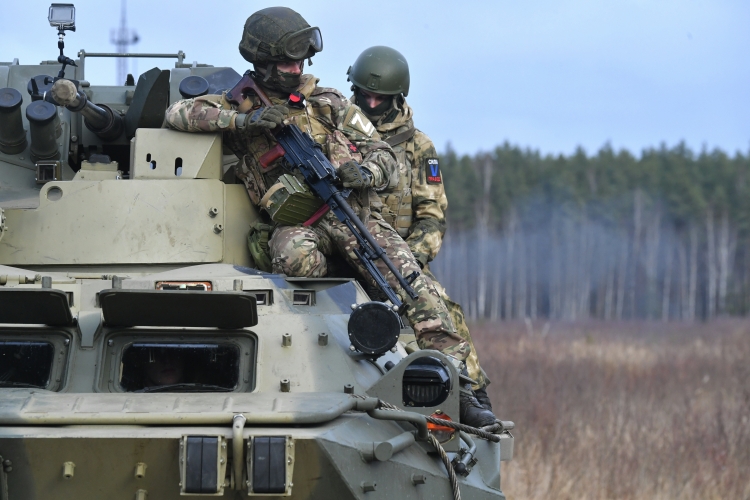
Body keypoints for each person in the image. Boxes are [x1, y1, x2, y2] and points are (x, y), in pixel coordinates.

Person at [164, 8, 495, 427]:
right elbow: (178, 114)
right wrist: (244, 120)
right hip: (298, 224)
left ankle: (461, 388)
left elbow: (385, 156)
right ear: (262, 62)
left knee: (415, 290)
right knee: (294, 259)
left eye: (301, 60)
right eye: (286, 62)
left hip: (351, 215)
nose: (296, 68)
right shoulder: (238, 103)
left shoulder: (329, 102)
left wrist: (366, 172)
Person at [347, 46, 494, 411]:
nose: (370, 102)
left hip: (399, 259)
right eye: (364, 95)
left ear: (397, 98)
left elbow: (432, 215)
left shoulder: (417, 147)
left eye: (379, 97)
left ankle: (470, 393)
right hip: (347, 253)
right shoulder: (338, 134)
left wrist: (409, 258)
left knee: (442, 311)